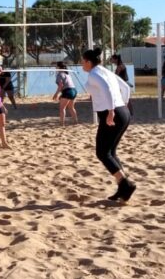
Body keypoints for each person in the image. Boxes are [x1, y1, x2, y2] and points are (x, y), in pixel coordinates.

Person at [81, 48, 135, 202]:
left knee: (102, 153)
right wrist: (122, 105)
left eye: (82, 61)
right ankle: (123, 187)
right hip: (123, 112)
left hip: (112, 113)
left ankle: (126, 185)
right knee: (111, 152)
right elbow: (125, 87)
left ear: (88, 62)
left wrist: (112, 111)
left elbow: (106, 88)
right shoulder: (105, 70)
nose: (81, 64)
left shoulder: (94, 74)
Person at [52, 61, 78, 126]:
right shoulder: (67, 74)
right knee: (71, 108)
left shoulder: (59, 74)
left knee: (62, 108)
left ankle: (62, 124)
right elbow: (67, 85)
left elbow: (61, 86)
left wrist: (56, 94)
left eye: (56, 66)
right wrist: (62, 94)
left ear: (58, 67)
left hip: (68, 91)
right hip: (74, 90)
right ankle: (76, 122)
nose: (55, 67)